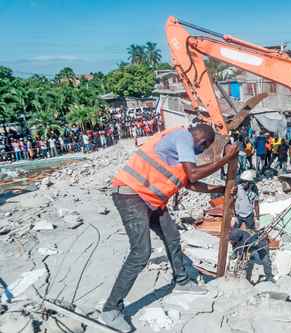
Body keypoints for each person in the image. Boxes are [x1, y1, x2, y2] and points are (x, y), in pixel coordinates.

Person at [101, 124, 238, 332]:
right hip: (131, 195)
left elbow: (190, 184)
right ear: (203, 142)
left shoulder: (180, 152)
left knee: (172, 236)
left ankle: (181, 280)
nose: (200, 152)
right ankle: (111, 308)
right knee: (141, 252)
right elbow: (193, 176)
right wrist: (226, 159)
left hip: (150, 200)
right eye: (203, 148)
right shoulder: (182, 137)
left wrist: (221, 188)